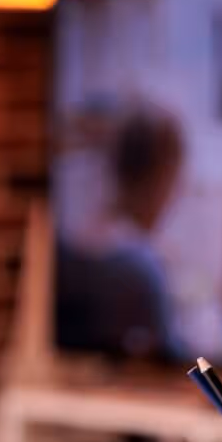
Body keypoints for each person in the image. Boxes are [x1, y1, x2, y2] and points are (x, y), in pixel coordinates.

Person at [54, 103, 186, 359]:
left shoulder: (83, 236)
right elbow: (174, 362)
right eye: (175, 180)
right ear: (162, 177)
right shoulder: (141, 268)